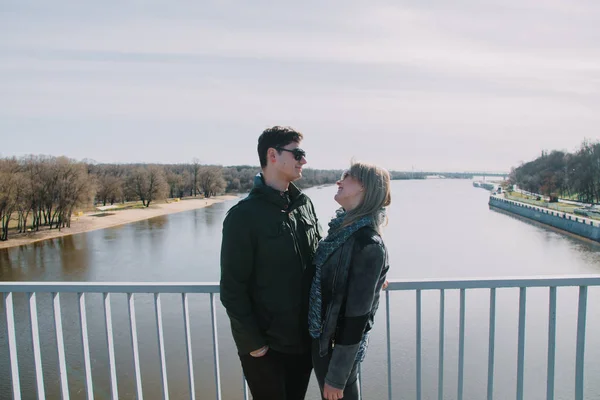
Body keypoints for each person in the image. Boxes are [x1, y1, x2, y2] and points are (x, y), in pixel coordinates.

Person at [220, 126, 322, 400]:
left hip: (303, 341)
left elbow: (322, 259)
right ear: (272, 155)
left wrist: (368, 273)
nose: (304, 160)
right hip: (267, 348)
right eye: (298, 153)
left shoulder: (304, 205)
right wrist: (255, 345)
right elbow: (232, 289)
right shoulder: (243, 217)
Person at [308, 161, 391, 400]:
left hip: (336, 352)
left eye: (347, 176)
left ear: (364, 188)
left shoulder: (367, 244)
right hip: (323, 342)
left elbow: (357, 320)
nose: (339, 180)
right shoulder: (342, 232)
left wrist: (336, 377)